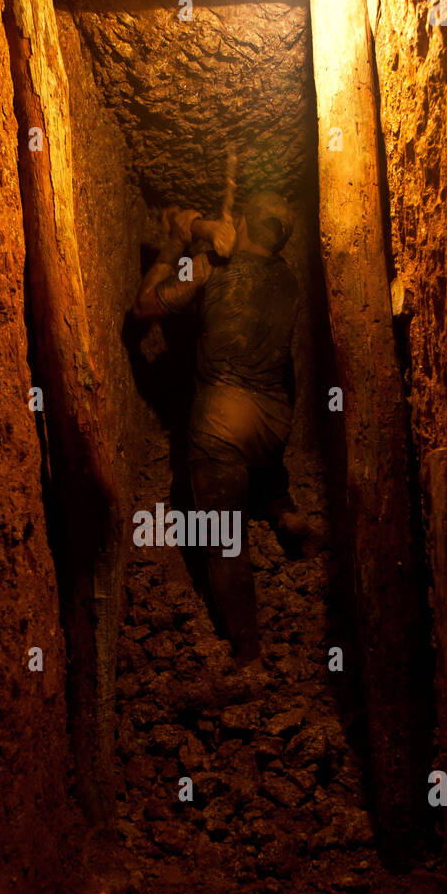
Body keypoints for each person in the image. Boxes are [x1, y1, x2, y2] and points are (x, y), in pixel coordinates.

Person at [132, 189, 322, 673]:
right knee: (255, 471)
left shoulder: (209, 268)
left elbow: (145, 308)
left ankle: (248, 653)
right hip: (271, 425)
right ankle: (284, 512)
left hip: (221, 425)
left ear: (242, 223)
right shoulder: (289, 281)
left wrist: (180, 243)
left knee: (222, 539)